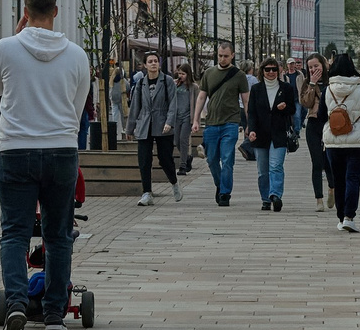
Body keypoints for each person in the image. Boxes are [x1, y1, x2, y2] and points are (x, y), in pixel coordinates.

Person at [0, 0, 89, 330]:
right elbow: (78, 107)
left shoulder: (5, 48)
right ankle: (54, 314)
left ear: (25, 12)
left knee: (14, 234)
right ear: (55, 12)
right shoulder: (77, 54)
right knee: (58, 235)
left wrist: (14, 39)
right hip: (61, 150)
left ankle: (16, 304)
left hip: (15, 149)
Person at [319, 52, 360, 233]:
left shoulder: (327, 90)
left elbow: (321, 117)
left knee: (339, 180)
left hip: (333, 143)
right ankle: (349, 217)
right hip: (358, 143)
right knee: (353, 179)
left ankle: (341, 218)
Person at [123, 50, 184, 205]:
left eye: (155, 61)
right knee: (144, 160)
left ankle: (174, 183)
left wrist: (169, 122)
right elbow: (135, 106)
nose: (153, 64)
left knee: (165, 159)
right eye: (150, 62)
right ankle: (147, 193)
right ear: (145, 65)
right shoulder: (140, 83)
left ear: (159, 63)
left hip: (163, 124)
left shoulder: (167, 81)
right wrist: (129, 129)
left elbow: (173, 103)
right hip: (145, 125)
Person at [196, 44, 250, 208]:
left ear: (232, 55)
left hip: (230, 123)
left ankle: (225, 193)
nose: (222, 59)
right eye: (220, 55)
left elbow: (246, 101)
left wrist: (249, 124)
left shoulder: (239, 75)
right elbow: (201, 97)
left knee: (227, 159)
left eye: (226, 56)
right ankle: (220, 185)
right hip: (211, 123)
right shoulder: (209, 73)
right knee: (212, 159)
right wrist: (196, 119)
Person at [243, 57, 297, 212]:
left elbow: (293, 109)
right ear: (262, 71)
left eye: (274, 69)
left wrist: (285, 107)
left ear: (279, 71)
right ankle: (265, 198)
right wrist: (251, 130)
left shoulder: (286, 88)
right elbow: (252, 112)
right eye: (268, 69)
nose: (271, 72)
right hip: (260, 134)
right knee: (262, 170)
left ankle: (275, 195)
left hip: (279, 133)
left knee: (276, 166)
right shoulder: (256, 89)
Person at [300, 53, 332, 212]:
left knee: (329, 161)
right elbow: (306, 103)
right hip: (314, 123)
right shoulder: (307, 82)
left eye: (316, 66)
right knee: (317, 162)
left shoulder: (332, 80)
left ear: (323, 65)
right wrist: (312, 84)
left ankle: (332, 188)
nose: (313, 69)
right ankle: (319, 199)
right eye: (310, 67)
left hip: (331, 124)